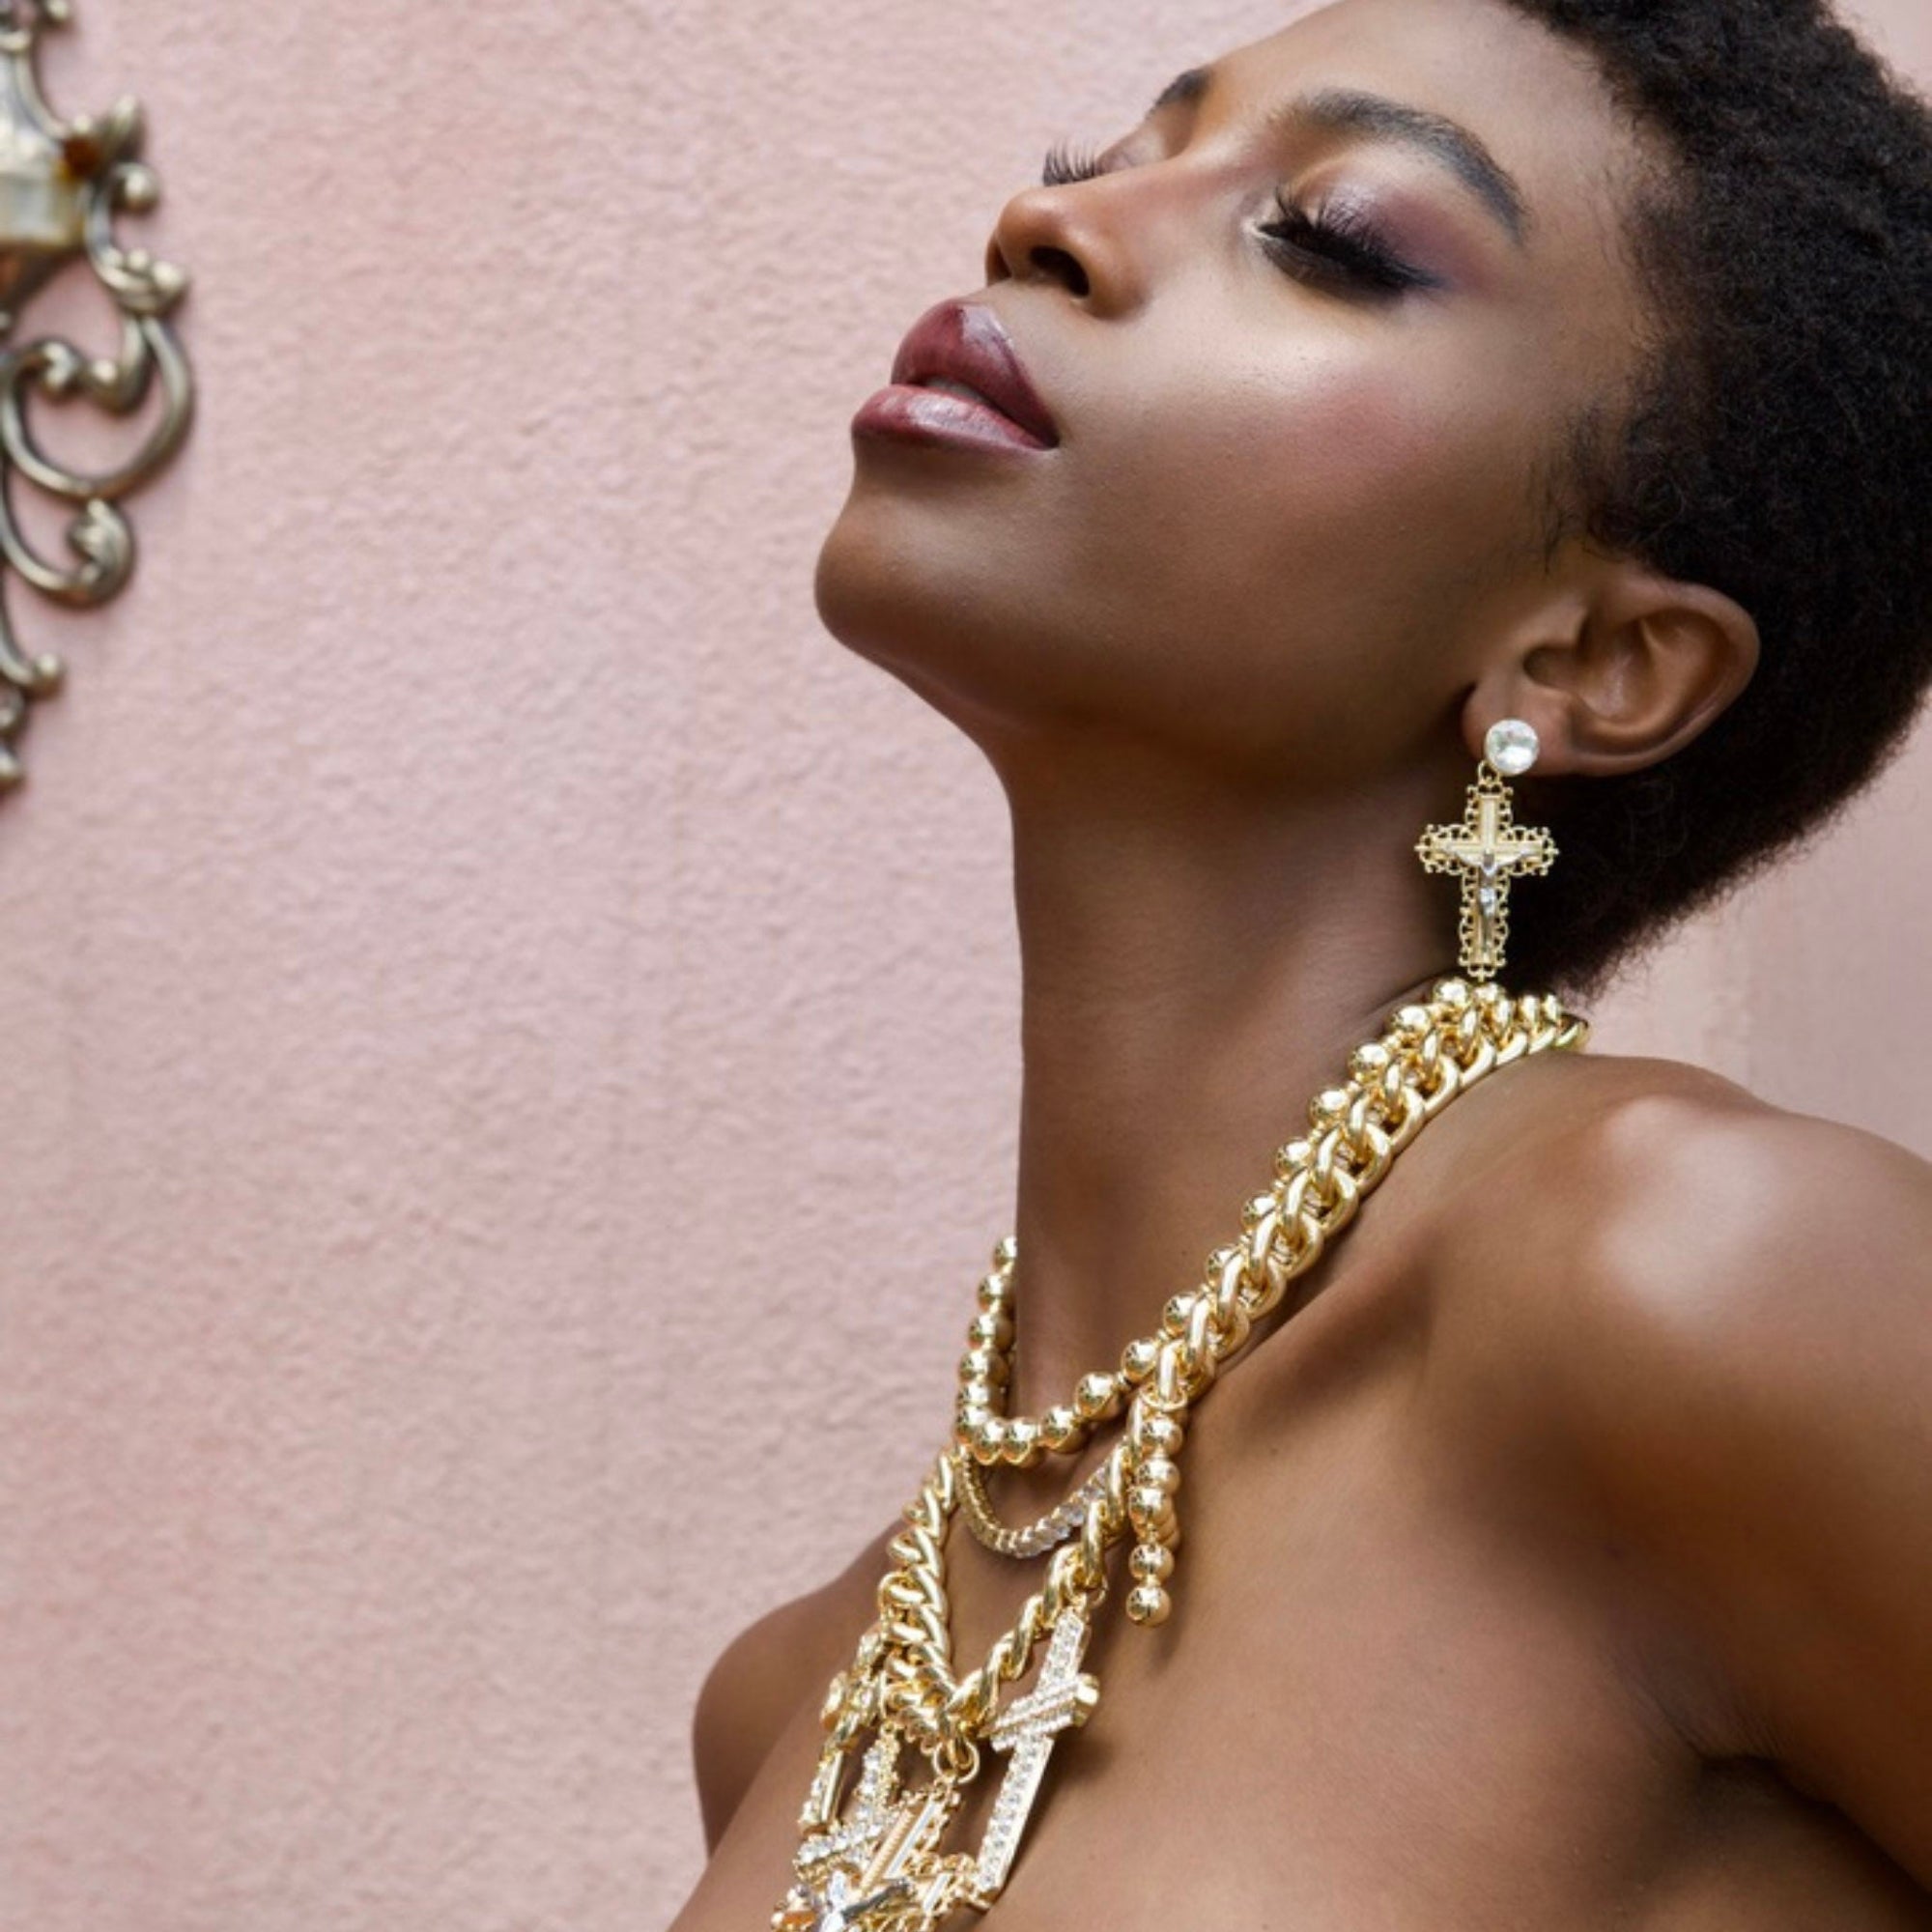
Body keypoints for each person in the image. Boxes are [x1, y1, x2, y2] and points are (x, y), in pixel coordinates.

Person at [670, 0, 1932, 1924]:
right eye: (1104, 160)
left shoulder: (1703, 1282)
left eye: (1327, 238)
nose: (1046, 222)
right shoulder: (796, 1701)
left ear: (1596, 662)